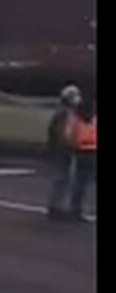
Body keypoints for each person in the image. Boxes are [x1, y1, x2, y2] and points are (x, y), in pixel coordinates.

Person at [46, 85, 88, 221]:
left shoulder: (77, 113)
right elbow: (58, 133)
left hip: (76, 148)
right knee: (61, 177)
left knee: (72, 178)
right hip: (63, 149)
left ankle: (70, 207)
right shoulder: (62, 114)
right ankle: (55, 206)